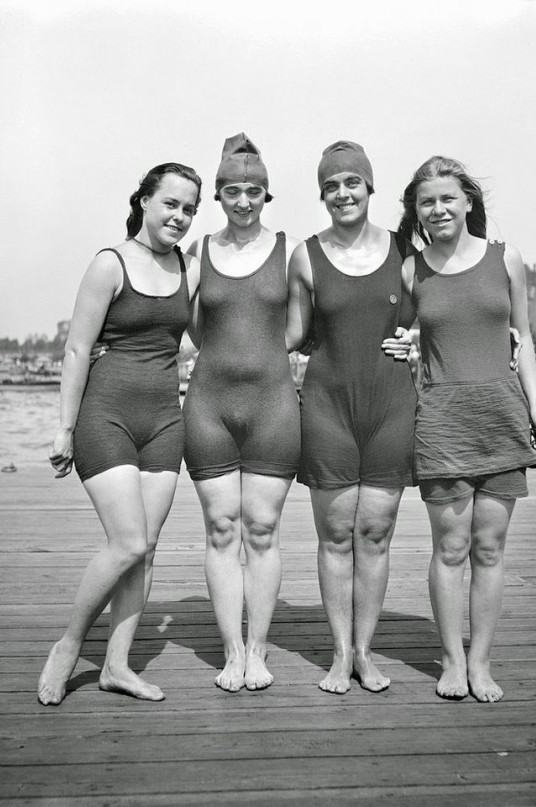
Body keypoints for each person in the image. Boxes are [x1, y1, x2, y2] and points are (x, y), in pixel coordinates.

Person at [393, 155, 536, 702]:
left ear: (468, 202)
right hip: (441, 422)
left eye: (447, 198)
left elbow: (524, 339)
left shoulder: (505, 258)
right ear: (416, 212)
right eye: (426, 202)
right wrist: (399, 344)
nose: (437, 209)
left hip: (502, 418)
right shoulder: (412, 270)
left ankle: (481, 662)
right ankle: (451, 659)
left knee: (489, 547)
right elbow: (395, 336)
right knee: (450, 546)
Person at [38, 162, 202, 705]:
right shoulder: (110, 264)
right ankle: (68, 645)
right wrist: (64, 428)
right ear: (145, 201)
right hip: (104, 416)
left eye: (190, 209)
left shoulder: (188, 268)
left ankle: (117, 665)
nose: (180, 216)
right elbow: (78, 349)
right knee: (127, 541)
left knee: (147, 549)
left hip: (163, 421)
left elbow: (219, 323)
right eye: (172, 204)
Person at [286, 141, 417, 694]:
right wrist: (207, 343)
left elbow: (443, 312)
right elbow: (291, 335)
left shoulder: (407, 251)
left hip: (390, 406)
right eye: (331, 186)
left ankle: (366, 651)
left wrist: (416, 339)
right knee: (336, 535)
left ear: (369, 187)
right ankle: (340, 654)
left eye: (351, 183)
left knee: (376, 531)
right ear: (322, 195)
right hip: (326, 407)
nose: (342, 193)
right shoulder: (305, 256)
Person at [183, 133, 301, 692]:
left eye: (254, 191)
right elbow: (184, 322)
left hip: (274, 405)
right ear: (219, 196)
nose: (244, 201)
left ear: (267, 194)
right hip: (209, 405)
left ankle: (260, 650)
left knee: (262, 529)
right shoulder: (199, 251)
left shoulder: (289, 249)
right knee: (221, 527)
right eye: (233, 191)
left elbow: (305, 325)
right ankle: (232, 650)